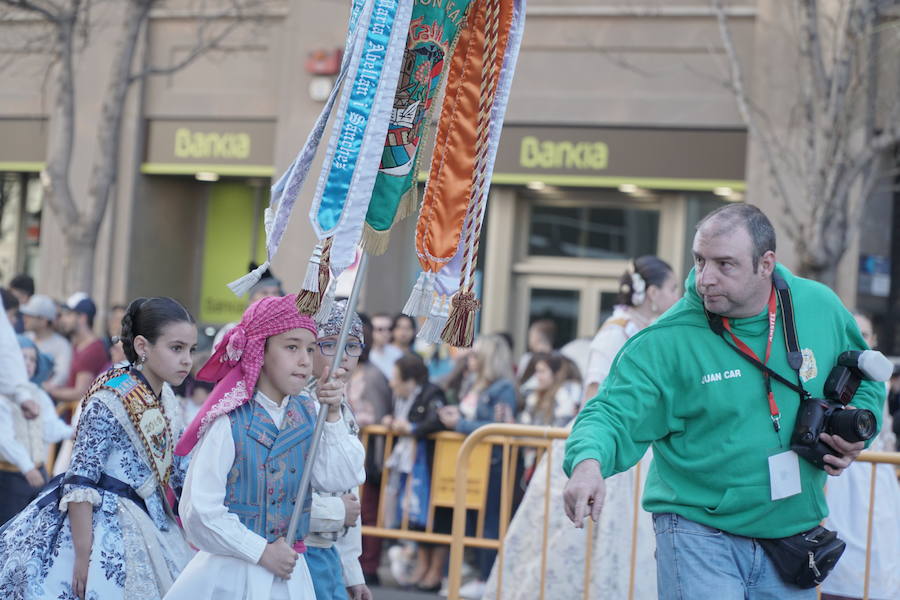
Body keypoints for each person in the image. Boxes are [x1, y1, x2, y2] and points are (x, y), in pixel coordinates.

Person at [563, 204, 884, 600]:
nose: (705, 278)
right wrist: (587, 464)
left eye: (724, 264)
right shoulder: (666, 339)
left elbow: (866, 375)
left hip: (792, 535)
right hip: (698, 531)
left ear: (766, 264)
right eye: (700, 260)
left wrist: (858, 430)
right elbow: (610, 412)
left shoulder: (819, 305)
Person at [484, 256, 679, 600]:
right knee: (579, 539)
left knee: (628, 544)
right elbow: (594, 397)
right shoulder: (614, 332)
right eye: (672, 288)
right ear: (652, 292)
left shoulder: (647, 329)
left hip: (637, 440)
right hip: (610, 441)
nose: (677, 296)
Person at [165, 294, 364, 600]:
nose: (304, 360)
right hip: (233, 573)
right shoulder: (228, 420)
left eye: (310, 349)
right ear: (260, 349)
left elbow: (340, 476)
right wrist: (260, 551)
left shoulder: (309, 414)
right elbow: (198, 511)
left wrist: (333, 414)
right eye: (291, 347)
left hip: (289, 576)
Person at [0, 296, 198, 599]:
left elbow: (175, 466)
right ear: (143, 347)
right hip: (100, 525)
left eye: (190, 350)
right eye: (176, 348)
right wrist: (83, 556)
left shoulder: (167, 397)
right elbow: (80, 479)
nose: (187, 360)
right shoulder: (110, 397)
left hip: (152, 520)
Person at [820, 313, 900, 600]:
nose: (862, 339)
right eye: (858, 334)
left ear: (874, 339)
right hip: (843, 472)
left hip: (878, 475)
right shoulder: (835, 373)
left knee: (880, 542)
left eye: (866, 334)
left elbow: (886, 432)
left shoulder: (882, 380)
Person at [438, 334, 517, 599]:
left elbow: (499, 428)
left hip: (493, 462)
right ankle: (469, 575)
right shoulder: (474, 385)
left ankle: (487, 579)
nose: (468, 359)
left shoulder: (503, 387)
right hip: (471, 462)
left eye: (475, 355)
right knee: (469, 520)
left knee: (489, 523)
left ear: (487, 358)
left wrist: (459, 424)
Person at [305, 299, 370, 600]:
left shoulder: (343, 406)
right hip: (300, 550)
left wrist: (351, 570)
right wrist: (335, 511)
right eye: (329, 344)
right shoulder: (299, 404)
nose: (343, 356)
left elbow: (348, 491)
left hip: (330, 551)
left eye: (352, 345)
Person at [383, 352, 449, 592]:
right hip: (411, 465)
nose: (392, 383)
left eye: (396, 378)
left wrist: (411, 428)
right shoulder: (401, 397)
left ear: (410, 379)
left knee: (437, 517)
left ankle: (435, 571)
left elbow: (437, 421)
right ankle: (422, 567)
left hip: (432, 465)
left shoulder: (433, 393)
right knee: (417, 517)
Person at [0, 335, 73, 525]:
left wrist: (72, 432)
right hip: (10, 476)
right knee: (8, 528)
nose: (28, 363)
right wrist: (27, 467)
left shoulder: (38, 394)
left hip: (38, 473)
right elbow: (4, 438)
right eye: (23, 357)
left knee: (33, 527)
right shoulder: (4, 395)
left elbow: (48, 427)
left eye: (33, 359)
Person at [346, 314, 392, 586]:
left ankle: (369, 564)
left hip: (370, 452)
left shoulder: (373, 375)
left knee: (369, 509)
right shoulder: (352, 371)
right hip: (350, 450)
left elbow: (381, 411)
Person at [46, 293, 110, 408]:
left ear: (82, 318)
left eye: (68, 315)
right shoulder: (78, 345)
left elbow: (80, 393)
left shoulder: (92, 350)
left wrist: (49, 390)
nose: (63, 319)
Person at [21, 294, 74, 387]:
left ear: (43, 320)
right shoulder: (24, 338)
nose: (25, 318)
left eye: (30, 315)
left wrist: (41, 389)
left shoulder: (62, 345)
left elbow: (61, 376)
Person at [518, 352, 581, 428]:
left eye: (542, 371)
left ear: (554, 374)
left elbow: (560, 428)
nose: (537, 376)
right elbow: (523, 425)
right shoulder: (534, 396)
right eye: (536, 371)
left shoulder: (564, 393)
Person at [368, 313, 403, 381]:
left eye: (389, 329)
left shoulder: (398, 353)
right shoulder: (365, 355)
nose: (385, 333)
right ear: (371, 330)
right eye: (380, 329)